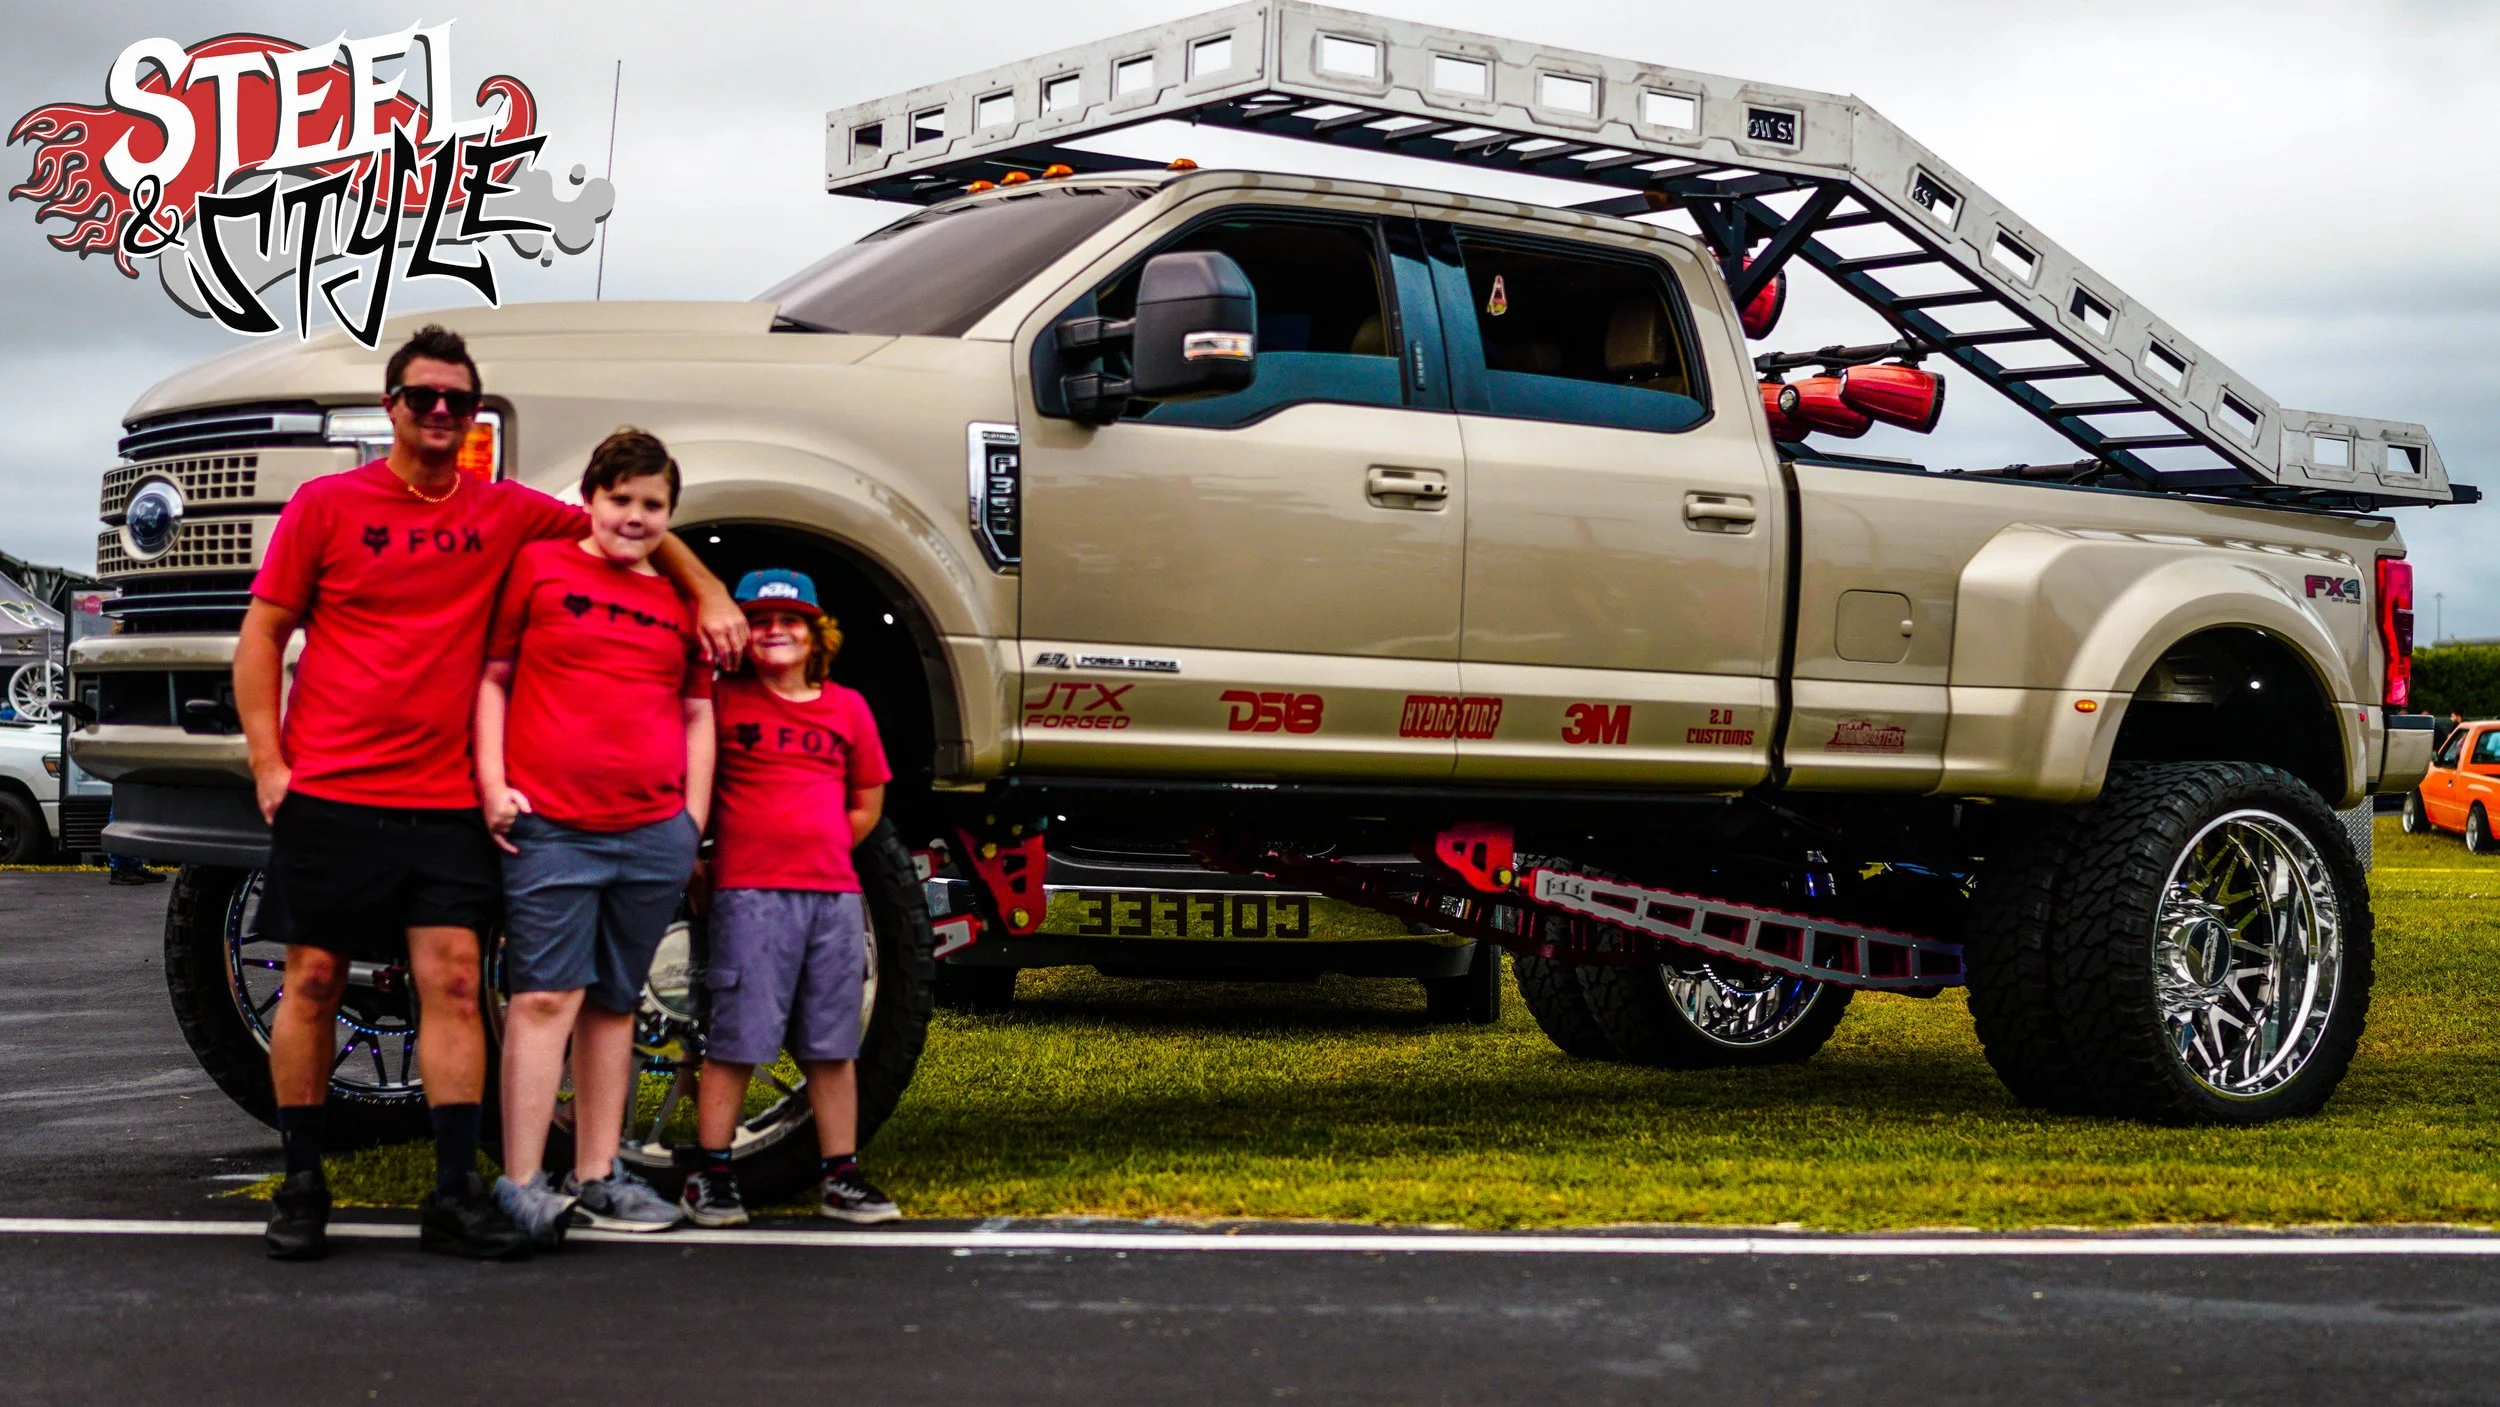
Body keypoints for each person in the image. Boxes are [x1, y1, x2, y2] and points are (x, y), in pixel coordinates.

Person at [237, 325, 746, 1262]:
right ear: (391, 405)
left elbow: (630, 525)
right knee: (312, 979)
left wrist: (708, 587)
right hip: (336, 785)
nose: (439, 412)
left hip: (446, 798)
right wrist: (270, 764)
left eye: (457, 401)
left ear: (473, 416)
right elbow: (263, 637)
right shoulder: (325, 506)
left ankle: (454, 1192)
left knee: (459, 985)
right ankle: (303, 1180)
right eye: (422, 396)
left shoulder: (508, 512)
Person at [477, 429, 713, 1246]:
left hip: (650, 832)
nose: (634, 517)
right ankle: (520, 1179)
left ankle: (599, 1173)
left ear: (670, 514)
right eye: (621, 500)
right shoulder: (541, 570)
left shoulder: (679, 605)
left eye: (653, 505)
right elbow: (495, 678)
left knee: (615, 1004)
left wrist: (692, 822)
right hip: (552, 827)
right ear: (590, 498)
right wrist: (491, 780)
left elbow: (696, 711)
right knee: (544, 997)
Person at [679, 569, 900, 1227]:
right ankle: (710, 1173)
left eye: (791, 619)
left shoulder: (847, 707)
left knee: (832, 1041)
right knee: (739, 1034)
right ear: (742, 633)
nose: (777, 630)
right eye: (762, 620)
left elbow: (866, 799)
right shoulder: (724, 701)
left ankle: (840, 1172)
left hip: (831, 897)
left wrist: (823, 842)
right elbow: (687, 778)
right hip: (749, 893)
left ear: (815, 633)